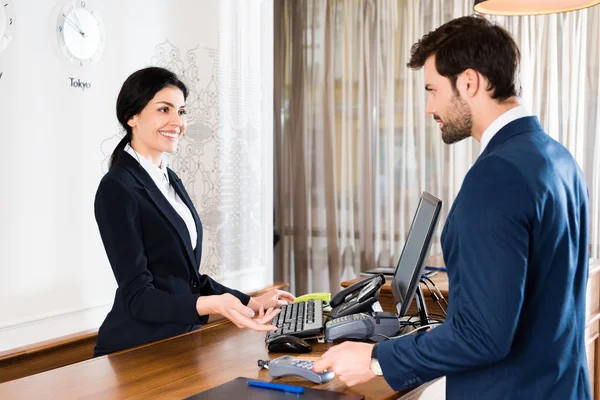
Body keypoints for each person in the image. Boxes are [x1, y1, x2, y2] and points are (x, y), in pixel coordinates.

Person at [314, 15, 591, 399]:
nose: (429, 108)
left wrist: (374, 357)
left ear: (469, 82)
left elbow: (483, 336)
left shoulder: (496, 177)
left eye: (432, 90)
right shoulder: (558, 159)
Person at [93, 66, 294, 356]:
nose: (177, 122)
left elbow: (187, 278)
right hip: (136, 349)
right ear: (132, 117)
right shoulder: (117, 187)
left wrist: (252, 301)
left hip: (180, 340)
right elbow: (138, 297)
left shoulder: (168, 179)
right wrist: (212, 305)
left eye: (182, 112)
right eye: (164, 109)